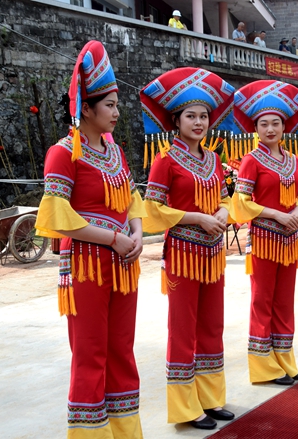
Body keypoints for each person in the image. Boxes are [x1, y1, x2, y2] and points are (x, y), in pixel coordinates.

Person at [35, 40, 145, 439]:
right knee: (90, 353)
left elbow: (131, 198)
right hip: (86, 264)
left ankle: (125, 432)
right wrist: (114, 238)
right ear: (87, 108)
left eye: (117, 105)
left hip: (123, 262)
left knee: (122, 350)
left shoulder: (115, 152)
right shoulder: (63, 153)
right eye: (109, 105)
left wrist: (136, 232)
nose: (116, 113)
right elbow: (58, 218)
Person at [140, 68, 236, 430]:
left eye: (204, 116)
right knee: (182, 328)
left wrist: (223, 212)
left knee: (212, 325)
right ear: (176, 121)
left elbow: (226, 198)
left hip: (213, 254)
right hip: (182, 255)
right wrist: (197, 218)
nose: (198, 123)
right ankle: (185, 407)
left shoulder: (214, 159)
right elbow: (153, 209)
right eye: (190, 116)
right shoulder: (164, 160)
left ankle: (210, 398)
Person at [232, 80, 298, 385]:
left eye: (275, 123)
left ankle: (285, 361)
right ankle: (263, 366)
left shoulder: (293, 160)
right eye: (263, 124)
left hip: (289, 240)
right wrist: (277, 213)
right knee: (262, 301)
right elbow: (241, 201)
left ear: (284, 126)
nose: (270, 129)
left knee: (284, 301)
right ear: (255, 128)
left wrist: (297, 213)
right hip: (264, 240)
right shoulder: (251, 160)